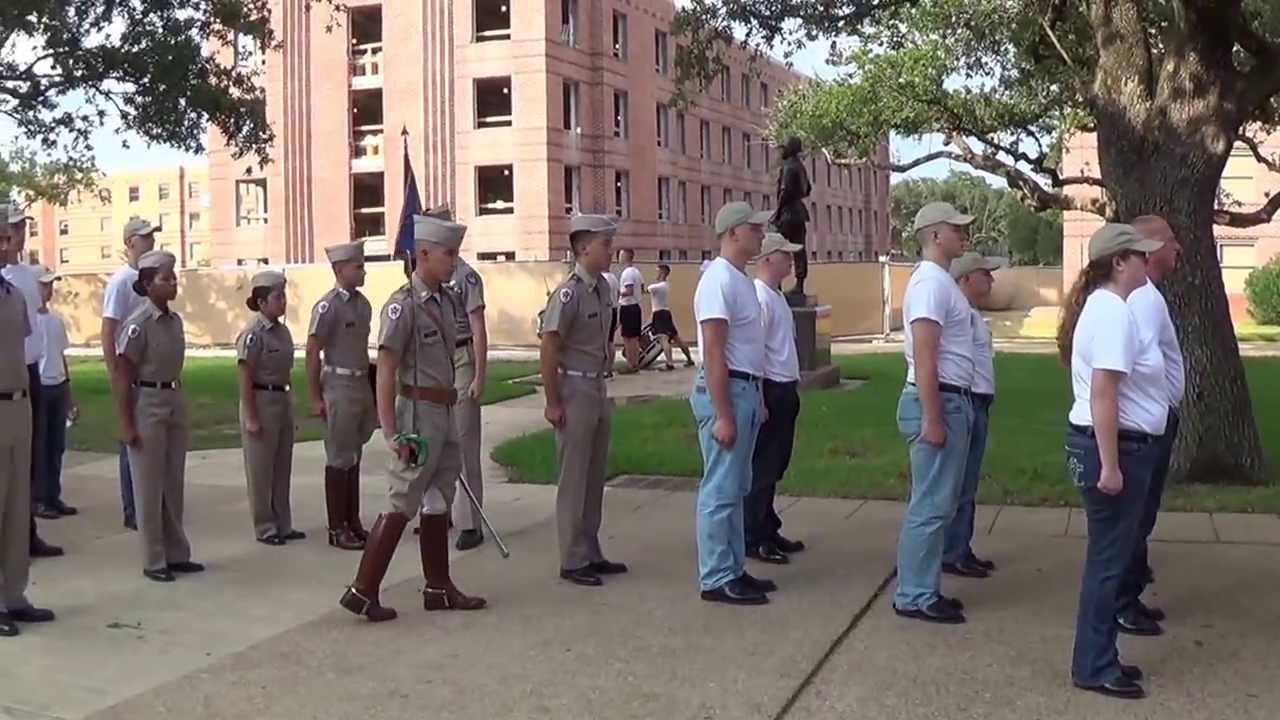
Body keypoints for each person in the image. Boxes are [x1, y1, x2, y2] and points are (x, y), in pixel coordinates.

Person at [338, 214, 486, 622]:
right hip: (417, 413)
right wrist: (390, 431)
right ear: (423, 253)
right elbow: (385, 369)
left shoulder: (447, 299)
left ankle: (438, 586)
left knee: (439, 497)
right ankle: (363, 589)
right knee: (403, 498)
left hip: (444, 407)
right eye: (448, 253)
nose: (454, 261)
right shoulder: (402, 306)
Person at [1057, 224, 1166, 700]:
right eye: (1139, 255)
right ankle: (1094, 665)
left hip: (1111, 442)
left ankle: (1100, 657)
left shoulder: (1101, 309)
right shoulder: (1113, 313)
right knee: (1108, 563)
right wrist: (1111, 465)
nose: (1148, 262)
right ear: (1120, 262)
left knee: (1108, 559)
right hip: (1116, 446)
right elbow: (1104, 392)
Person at [892, 201, 975, 624]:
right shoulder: (930, 284)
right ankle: (914, 594)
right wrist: (933, 416)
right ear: (935, 235)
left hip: (949, 398)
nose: (964, 234)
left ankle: (923, 588)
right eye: (957, 229)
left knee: (939, 503)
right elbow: (926, 356)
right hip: (939, 399)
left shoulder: (939, 282)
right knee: (930, 504)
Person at [539, 214, 628, 587]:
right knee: (573, 479)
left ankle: (590, 550)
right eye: (605, 244)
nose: (612, 251)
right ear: (583, 247)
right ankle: (571, 559)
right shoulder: (568, 293)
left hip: (597, 388)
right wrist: (553, 401)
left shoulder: (603, 289)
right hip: (574, 389)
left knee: (594, 478)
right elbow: (550, 347)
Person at [691, 201, 772, 606]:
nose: (761, 234)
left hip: (745, 390)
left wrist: (755, 398)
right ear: (733, 233)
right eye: (754, 228)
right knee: (721, 488)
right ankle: (716, 576)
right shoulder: (717, 280)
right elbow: (714, 352)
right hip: (727, 391)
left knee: (737, 486)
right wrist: (723, 413)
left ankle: (733, 568)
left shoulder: (738, 280)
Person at [113, 250, 203, 583]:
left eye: (174, 277)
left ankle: (177, 553)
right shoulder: (138, 325)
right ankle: (154, 559)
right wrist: (126, 423)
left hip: (173, 398)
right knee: (149, 486)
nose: (173, 282)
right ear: (148, 283)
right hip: (147, 401)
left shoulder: (175, 321)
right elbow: (123, 375)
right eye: (165, 278)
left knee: (172, 482)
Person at [1115, 216, 1184, 637]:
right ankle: (1122, 602)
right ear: (1153, 247)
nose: (1180, 249)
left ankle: (1131, 593)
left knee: (1142, 515)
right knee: (1134, 518)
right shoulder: (1141, 298)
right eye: (1173, 241)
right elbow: (1128, 366)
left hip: (1155, 420)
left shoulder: (1148, 295)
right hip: (1143, 427)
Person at [0, 213, 56, 637]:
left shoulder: (14, 294)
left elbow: (25, 352)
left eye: (7, 237)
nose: (6, 245)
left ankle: (14, 596)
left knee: (19, 507)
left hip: (19, 405)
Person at [427, 204, 489, 551]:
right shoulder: (427, 280)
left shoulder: (465, 277)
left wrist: (479, 375)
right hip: (436, 359)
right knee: (435, 442)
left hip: (462, 356)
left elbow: (479, 329)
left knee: (465, 443)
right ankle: (438, 512)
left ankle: (470, 522)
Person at [941, 252, 1007, 579]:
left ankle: (960, 547)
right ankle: (952, 552)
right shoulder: (960, 316)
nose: (991, 280)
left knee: (967, 481)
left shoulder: (971, 314)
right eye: (985, 274)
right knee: (961, 482)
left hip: (978, 401)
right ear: (966, 279)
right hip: (969, 400)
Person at [306, 241, 375, 551]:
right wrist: (315, 397)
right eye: (357, 266)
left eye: (362, 265)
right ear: (339, 270)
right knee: (339, 455)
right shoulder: (328, 306)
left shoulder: (363, 305)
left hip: (360, 383)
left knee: (355, 454)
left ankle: (353, 520)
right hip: (338, 384)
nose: (363, 271)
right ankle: (337, 527)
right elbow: (312, 351)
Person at [745, 233, 805, 565]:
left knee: (776, 464)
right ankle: (754, 536)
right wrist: (760, 397)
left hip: (785, 387)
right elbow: (756, 353)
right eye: (785, 255)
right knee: (763, 466)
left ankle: (768, 526)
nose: (791, 260)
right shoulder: (760, 298)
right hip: (771, 388)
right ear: (768, 258)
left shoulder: (776, 296)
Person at [236, 271, 302, 546]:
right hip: (260, 401)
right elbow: (245, 376)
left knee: (281, 467)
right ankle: (265, 527)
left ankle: (283, 523)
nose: (283, 302)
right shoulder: (253, 334)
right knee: (260, 469)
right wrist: (250, 416)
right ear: (261, 302)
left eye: (284, 297)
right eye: (277, 297)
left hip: (280, 400)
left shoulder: (282, 331)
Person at [102, 218, 157, 531]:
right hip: (129, 367)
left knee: (148, 437)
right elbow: (109, 327)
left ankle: (148, 500)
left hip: (150, 369)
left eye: (151, 237)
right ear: (130, 243)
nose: (150, 242)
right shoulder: (122, 281)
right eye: (145, 238)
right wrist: (114, 371)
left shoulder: (150, 280)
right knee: (131, 436)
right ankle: (132, 508)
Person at [33, 266, 78, 520]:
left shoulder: (56, 320)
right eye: (43, 285)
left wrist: (69, 394)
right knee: (41, 445)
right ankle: (39, 499)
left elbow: (60, 356)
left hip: (58, 386)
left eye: (51, 285)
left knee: (57, 446)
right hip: (40, 387)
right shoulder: (28, 320)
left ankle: (53, 495)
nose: (48, 290)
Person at [773, 137, 812, 297]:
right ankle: (799, 285)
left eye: (784, 148)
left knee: (777, 247)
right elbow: (807, 189)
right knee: (799, 249)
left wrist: (778, 212)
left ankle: (777, 284)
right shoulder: (800, 166)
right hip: (799, 212)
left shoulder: (789, 166)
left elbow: (784, 191)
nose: (781, 152)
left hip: (788, 213)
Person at [646, 264, 694, 371]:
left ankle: (669, 363)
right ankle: (689, 359)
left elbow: (647, 289)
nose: (656, 274)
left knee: (663, 338)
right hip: (666, 313)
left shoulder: (658, 286)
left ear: (663, 273)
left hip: (659, 314)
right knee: (676, 337)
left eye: (658, 271)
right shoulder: (666, 286)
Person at [617, 249, 645, 373]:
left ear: (626, 257)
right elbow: (642, 288)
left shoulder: (627, 273)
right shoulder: (637, 272)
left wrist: (617, 293)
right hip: (636, 306)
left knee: (628, 338)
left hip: (628, 306)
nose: (619, 258)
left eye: (621, 255)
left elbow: (629, 291)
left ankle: (631, 364)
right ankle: (635, 363)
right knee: (634, 337)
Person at [603, 265, 621, 367]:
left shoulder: (601, 278)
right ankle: (609, 367)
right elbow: (618, 294)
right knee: (610, 340)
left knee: (603, 340)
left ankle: (604, 367)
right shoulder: (614, 278)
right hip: (614, 309)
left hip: (605, 310)